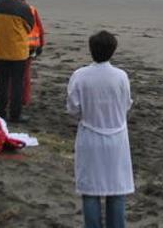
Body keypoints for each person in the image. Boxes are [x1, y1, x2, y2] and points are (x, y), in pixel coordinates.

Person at [67, 31, 134, 228]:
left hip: (90, 136)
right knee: (117, 189)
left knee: (90, 191)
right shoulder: (121, 76)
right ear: (113, 51)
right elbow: (126, 104)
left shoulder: (80, 75)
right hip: (117, 138)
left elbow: (73, 109)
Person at [0, 0, 35, 123]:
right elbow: (29, 27)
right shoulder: (23, 7)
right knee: (17, 84)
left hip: (0, 50)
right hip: (18, 52)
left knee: (2, 83)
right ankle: (15, 115)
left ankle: (0, 112)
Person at [18, 0, 45, 106]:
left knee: (12, 74)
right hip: (31, 46)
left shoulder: (12, 10)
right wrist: (41, 44)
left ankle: (12, 97)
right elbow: (40, 29)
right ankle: (25, 99)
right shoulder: (32, 9)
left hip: (19, 45)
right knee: (26, 74)